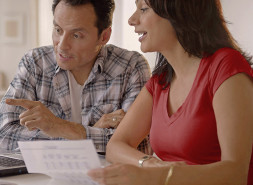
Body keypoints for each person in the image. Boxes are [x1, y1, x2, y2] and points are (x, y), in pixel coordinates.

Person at [88, 0, 253, 184]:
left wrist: (158, 176)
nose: (132, 20)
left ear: (177, 12)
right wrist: (149, 164)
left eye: (143, 9)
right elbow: (115, 146)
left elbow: (237, 172)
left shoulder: (226, 66)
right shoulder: (160, 81)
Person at [0, 0, 152, 154]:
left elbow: (138, 148)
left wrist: (60, 127)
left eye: (76, 35)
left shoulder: (131, 67)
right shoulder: (35, 62)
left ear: (104, 36)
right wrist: (84, 133)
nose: (62, 45)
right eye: (58, 30)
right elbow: (2, 138)